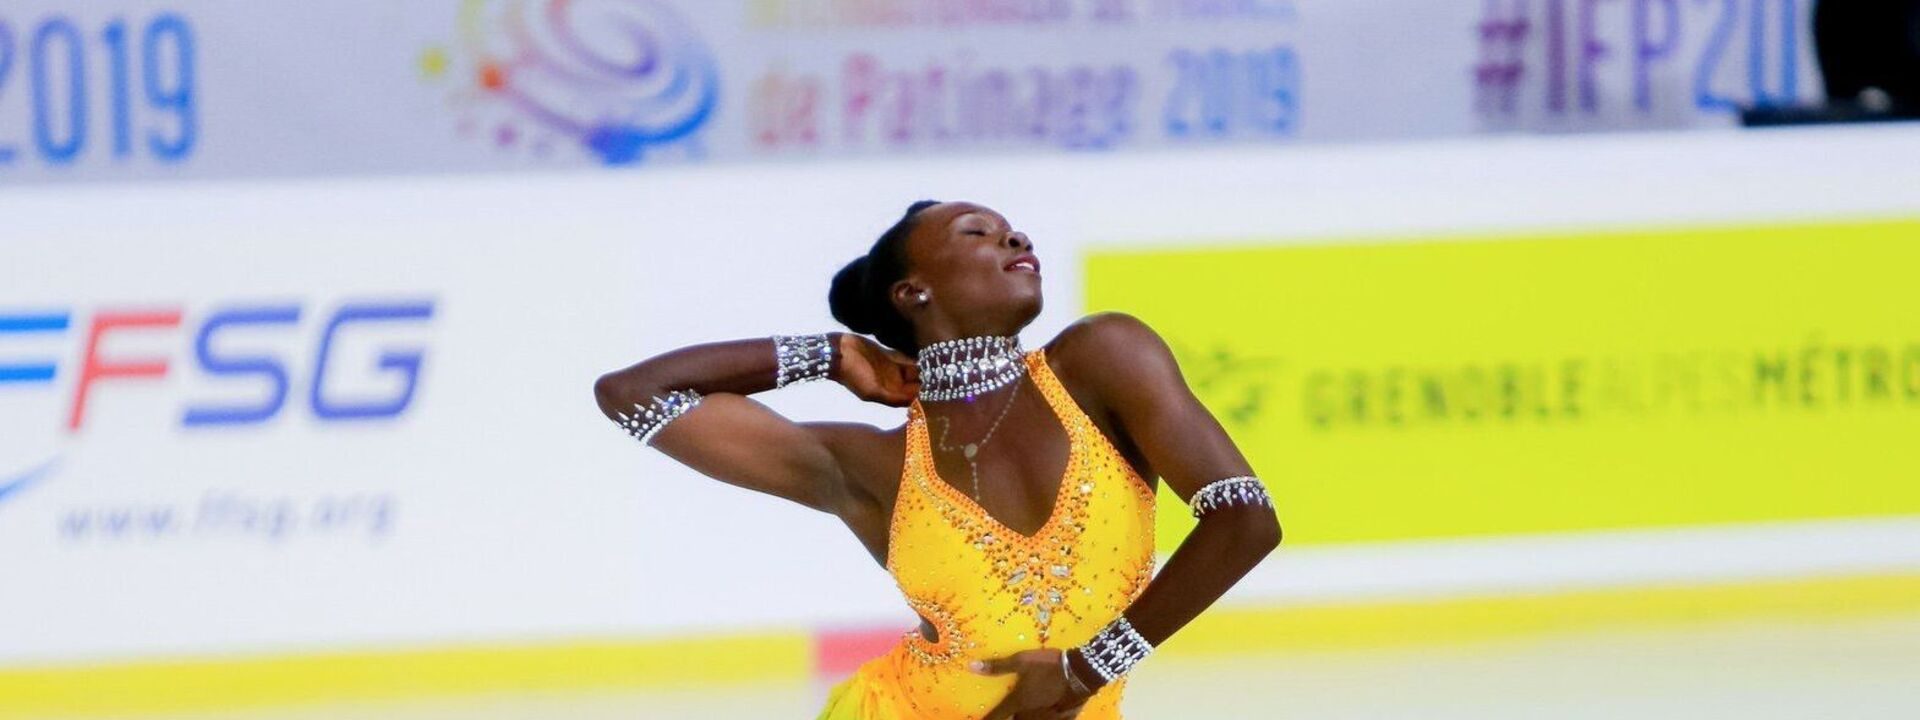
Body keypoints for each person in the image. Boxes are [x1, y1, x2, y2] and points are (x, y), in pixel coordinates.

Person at [593, 201, 1281, 719]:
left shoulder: (1103, 360)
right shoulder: (872, 464)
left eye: (1012, 229)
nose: (1016, 238)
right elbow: (634, 396)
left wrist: (1088, 669)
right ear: (913, 292)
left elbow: (1246, 520)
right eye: (976, 232)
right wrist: (831, 355)